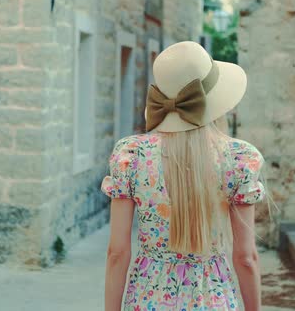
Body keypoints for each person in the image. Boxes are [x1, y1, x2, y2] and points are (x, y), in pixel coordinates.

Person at [101, 41, 267, 311]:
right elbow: (246, 257)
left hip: (146, 300)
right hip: (213, 299)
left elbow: (117, 253)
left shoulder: (131, 155)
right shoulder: (238, 159)